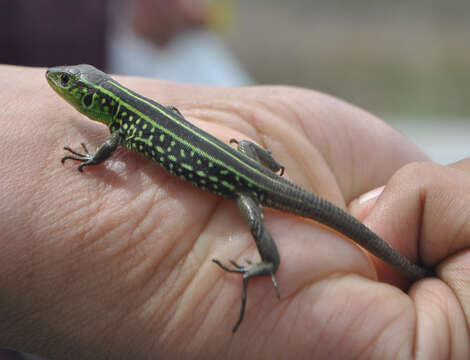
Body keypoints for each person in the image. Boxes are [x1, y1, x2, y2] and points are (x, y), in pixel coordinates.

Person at [0, 64, 469, 359]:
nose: (57, 84)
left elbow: (108, 153)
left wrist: (88, 160)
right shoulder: (126, 115)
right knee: (247, 159)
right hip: (250, 164)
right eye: (64, 80)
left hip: (246, 186)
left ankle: (269, 262)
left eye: (66, 81)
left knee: (254, 220)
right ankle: (262, 168)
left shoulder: (120, 127)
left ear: (95, 98)